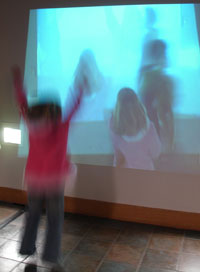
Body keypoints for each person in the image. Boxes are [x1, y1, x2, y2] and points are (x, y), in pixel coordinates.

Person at [12, 66, 83, 272]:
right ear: (55, 112)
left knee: (32, 215)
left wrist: (18, 83)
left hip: (34, 180)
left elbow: (22, 103)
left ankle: (28, 253)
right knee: (55, 219)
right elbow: (73, 108)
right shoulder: (61, 126)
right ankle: (51, 258)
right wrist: (78, 90)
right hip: (54, 182)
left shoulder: (30, 124)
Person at [110, 88, 161, 170]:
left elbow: (118, 153)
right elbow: (156, 153)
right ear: (138, 105)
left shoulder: (113, 124)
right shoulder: (150, 129)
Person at [138, 39, 174, 152]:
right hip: (154, 125)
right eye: (164, 54)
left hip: (160, 126)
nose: (166, 57)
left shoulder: (156, 75)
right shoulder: (150, 74)